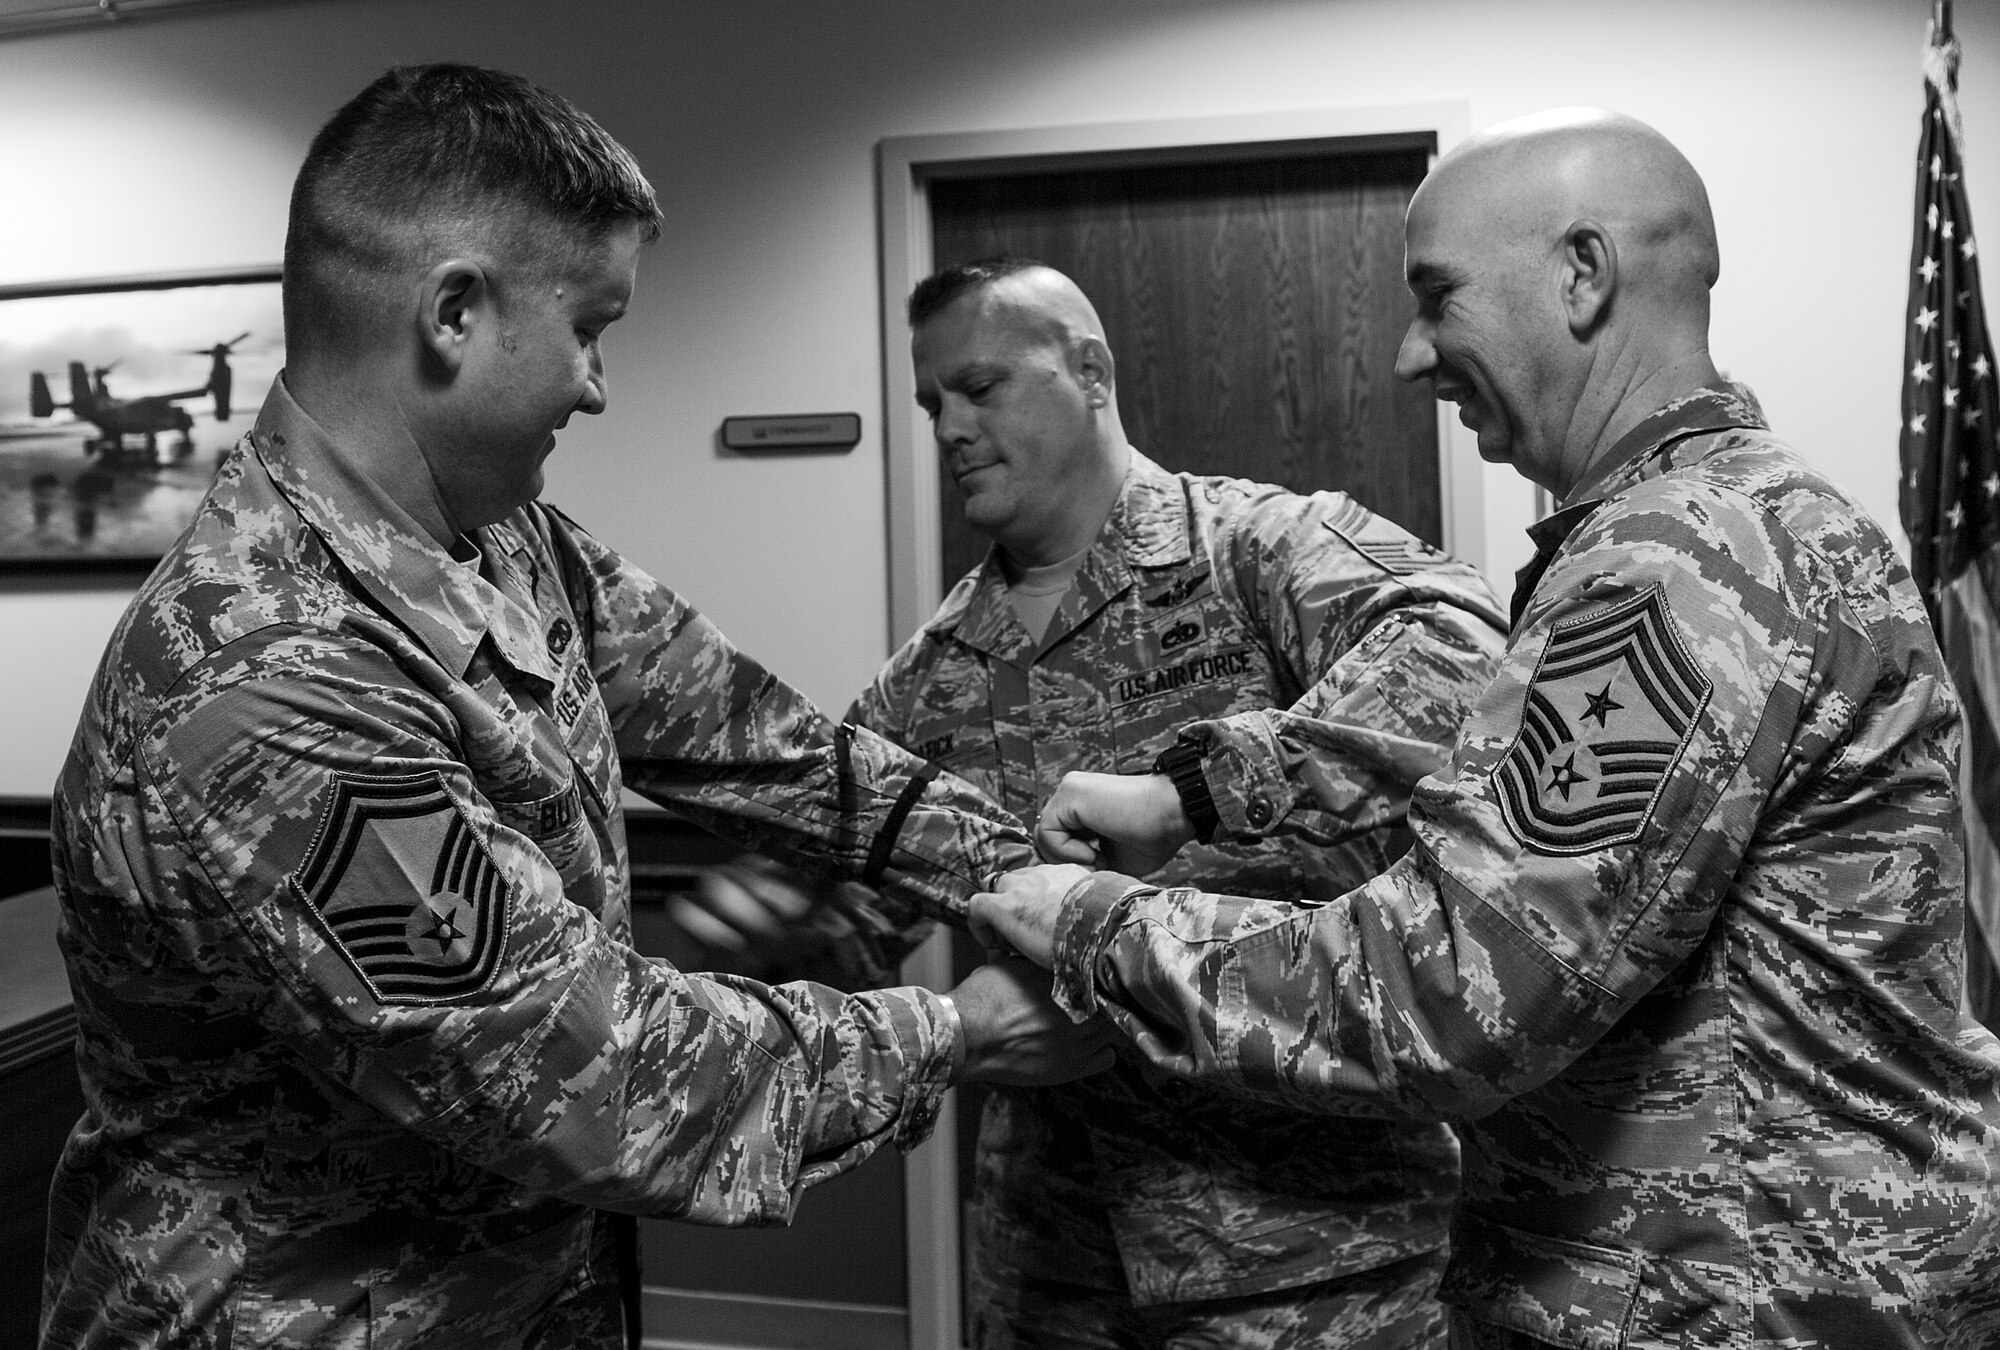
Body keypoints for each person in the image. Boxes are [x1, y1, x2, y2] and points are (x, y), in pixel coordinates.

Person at [40, 64, 1115, 1350]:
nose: (598, 385)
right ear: (454, 312)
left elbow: (758, 745)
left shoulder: (500, 542)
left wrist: (1019, 871)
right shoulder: (265, 675)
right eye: (590, 328)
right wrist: (958, 1032)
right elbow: (579, 1069)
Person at [975, 109, 2000, 1348]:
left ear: (1581, 274)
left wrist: (1093, 926)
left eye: (1436, 297)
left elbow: (1445, 992)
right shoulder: (1730, 520)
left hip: (1732, 1298)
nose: (1411, 356)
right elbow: (1504, 773)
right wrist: (1199, 792)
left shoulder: (1674, 560)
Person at [685, 257, 1507, 1348]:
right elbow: (861, 926)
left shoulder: (1253, 551)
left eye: (981, 387)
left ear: (1089, 370)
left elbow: (1469, 658)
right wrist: (790, 928)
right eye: (933, 403)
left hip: (1311, 1246)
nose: (950, 427)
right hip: (1056, 1265)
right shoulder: (928, 676)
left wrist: (1195, 789)